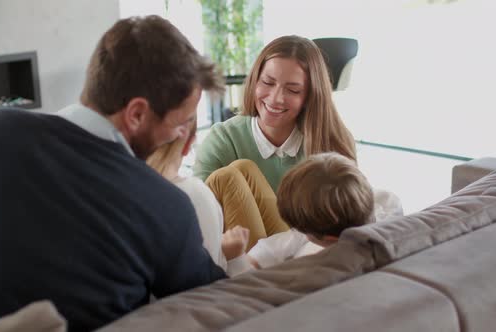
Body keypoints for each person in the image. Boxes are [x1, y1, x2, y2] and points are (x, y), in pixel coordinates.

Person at [0, 15, 226, 331]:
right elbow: (221, 310)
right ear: (137, 114)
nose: (180, 135)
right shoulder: (165, 206)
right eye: (180, 123)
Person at [193, 35, 357, 249]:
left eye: (293, 90)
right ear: (254, 81)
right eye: (268, 82)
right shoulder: (223, 139)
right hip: (241, 256)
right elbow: (198, 221)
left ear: (310, 95)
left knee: (236, 171)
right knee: (235, 171)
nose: (275, 98)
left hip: (309, 256)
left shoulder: (332, 141)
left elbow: (346, 221)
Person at [226, 152, 402, 270]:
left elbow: (251, 290)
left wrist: (236, 259)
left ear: (329, 240)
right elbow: (293, 238)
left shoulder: (313, 267)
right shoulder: (384, 205)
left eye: (301, 229)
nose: (297, 230)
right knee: (240, 168)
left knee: (227, 178)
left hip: (266, 268)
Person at [147, 118, 252, 276]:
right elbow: (210, 283)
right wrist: (234, 257)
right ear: (189, 144)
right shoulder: (194, 194)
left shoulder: (122, 190)